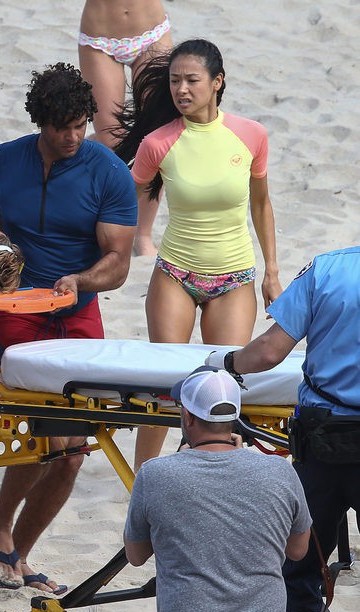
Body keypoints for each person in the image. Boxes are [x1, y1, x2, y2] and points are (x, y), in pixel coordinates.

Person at [0, 63, 136, 592]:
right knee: (48, 431)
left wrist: (80, 279)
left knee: (73, 452)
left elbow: (118, 261)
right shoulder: (6, 157)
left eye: (81, 125)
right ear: (40, 122)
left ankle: (16, 549)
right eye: (62, 127)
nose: (73, 137)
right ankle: (0, 528)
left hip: (77, 310)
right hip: (16, 309)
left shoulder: (108, 171)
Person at [112, 38, 282, 473]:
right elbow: (124, 198)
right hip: (175, 275)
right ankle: (144, 483)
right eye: (174, 82)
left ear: (217, 82)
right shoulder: (158, 143)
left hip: (234, 278)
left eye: (191, 80)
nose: (181, 90)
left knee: (225, 387)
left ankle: (225, 478)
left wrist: (272, 273)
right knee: (165, 387)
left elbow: (261, 204)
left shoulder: (250, 135)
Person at [208, 246, 360, 612]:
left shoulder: (331, 269)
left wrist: (226, 365)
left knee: (298, 570)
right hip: (327, 440)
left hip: (325, 446)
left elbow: (270, 352)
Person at [124, 366, 310, 612]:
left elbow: (135, 554)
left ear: (187, 417)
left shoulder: (156, 475)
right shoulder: (280, 471)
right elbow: (297, 550)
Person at [78, 0, 172, 256]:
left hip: (150, 31)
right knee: (112, 141)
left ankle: (142, 234)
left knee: (158, 135)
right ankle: (76, 150)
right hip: (100, 37)